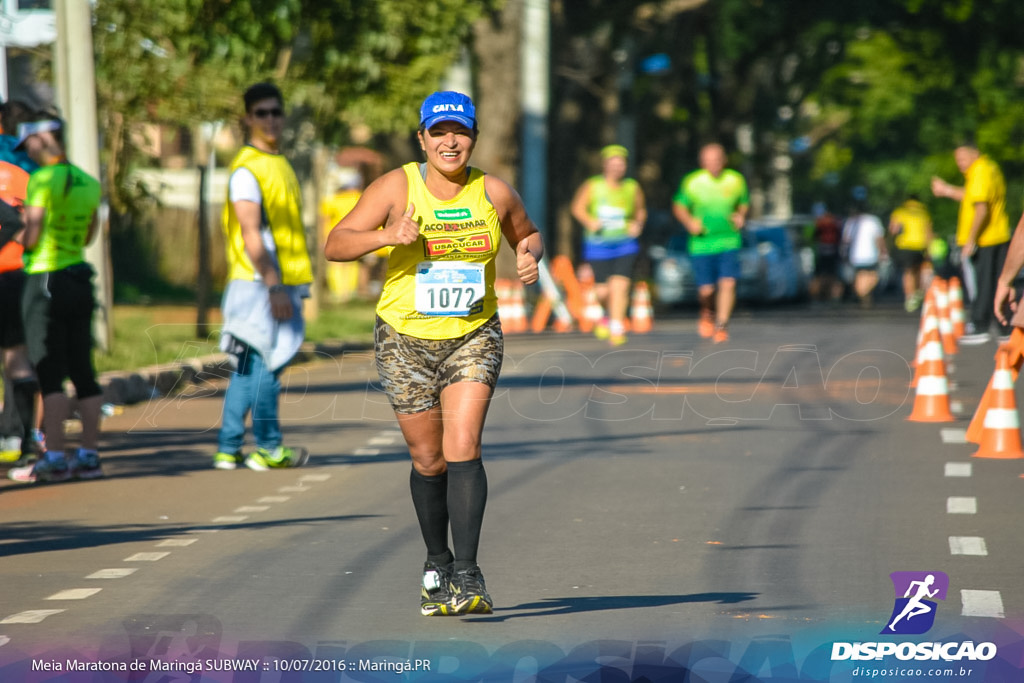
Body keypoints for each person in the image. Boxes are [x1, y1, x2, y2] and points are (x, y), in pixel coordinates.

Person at [324, 91, 542, 616]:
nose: (450, 141)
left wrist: (530, 257)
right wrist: (385, 235)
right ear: (421, 138)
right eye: (439, 132)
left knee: (463, 443)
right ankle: (438, 562)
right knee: (430, 458)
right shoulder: (397, 186)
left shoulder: (493, 191)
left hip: (473, 334)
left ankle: (469, 576)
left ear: (473, 139)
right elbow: (335, 243)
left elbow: (527, 235)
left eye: (460, 132)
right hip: (404, 339)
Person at [213, 82, 313, 471]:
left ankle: (228, 447)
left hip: (271, 281)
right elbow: (251, 232)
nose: (270, 119)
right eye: (261, 113)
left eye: (276, 112)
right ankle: (269, 447)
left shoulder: (280, 162)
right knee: (267, 366)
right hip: (259, 284)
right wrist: (274, 285)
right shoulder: (247, 169)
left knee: (248, 367)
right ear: (247, 119)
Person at [5, 117, 103, 483]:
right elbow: (90, 232)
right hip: (79, 275)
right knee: (83, 369)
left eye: (29, 144)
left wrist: (18, 225)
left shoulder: (41, 181)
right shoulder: (88, 182)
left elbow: (32, 236)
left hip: (45, 278)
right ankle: (90, 455)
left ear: (43, 139)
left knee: (49, 370)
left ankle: (56, 457)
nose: (28, 152)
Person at [931, 140, 1012, 344]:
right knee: (995, 281)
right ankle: (1002, 327)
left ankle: (980, 324)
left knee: (981, 283)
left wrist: (970, 239)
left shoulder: (980, 171)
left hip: (986, 238)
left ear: (974, 154)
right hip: (996, 236)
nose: (959, 163)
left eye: (962, 158)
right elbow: (970, 197)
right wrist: (947, 190)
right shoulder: (988, 168)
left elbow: (981, 208)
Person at [672, 143, 749, 343]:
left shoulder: (735, 180)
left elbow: (743, 202)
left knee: (728, 282)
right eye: (708, 160)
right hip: (702, 243)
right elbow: (679, 206)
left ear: (724, 160)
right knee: (706, 290)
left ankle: (722, 325)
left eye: (716, 160)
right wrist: (689, 222)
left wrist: (741, 216)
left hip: (729, 240)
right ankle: (707, 311)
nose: (713, 164)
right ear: (702, 162)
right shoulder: (693, 182)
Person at [570, 144, 646, 346]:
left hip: (625, 244)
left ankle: (617, 326)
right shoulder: (593, 185)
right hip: (598, 245)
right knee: (603, 291)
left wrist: (638, 224)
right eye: (613, 164)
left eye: (621, 164)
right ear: (605, 166)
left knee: (620, 285)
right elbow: (578, 208)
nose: (617, 168)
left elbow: (640, 211)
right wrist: (589, 221)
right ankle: (605, 314)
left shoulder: (632, 187)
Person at [888, 194, 933, 312]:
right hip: (920, 246)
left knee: (908, 271)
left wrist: (891, 242)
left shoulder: (900, 211)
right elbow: (928, 232)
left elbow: (893, 229)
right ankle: (917, 293)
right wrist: (929, 249)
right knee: (917, 269)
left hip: (905, 245)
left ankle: (909, 297)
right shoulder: (924, 213)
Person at [841, 203, 887, 308]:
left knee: (861, 277)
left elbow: (846, 240)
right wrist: (883, 251)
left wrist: (844, 254)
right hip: (871, 255)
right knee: (872, 276)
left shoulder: (851, 221)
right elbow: (879, 238)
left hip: (855, 255)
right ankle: (864, 294)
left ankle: (863, 294)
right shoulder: (873, 221)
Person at [810, 204, 843, 303]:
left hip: (822, 251)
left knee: (819, 276)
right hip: (834, 251)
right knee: (834, 276)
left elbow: (814, 236)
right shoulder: (836, 222)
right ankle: (834, 297)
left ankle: (816, 297)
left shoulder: (819, 222)